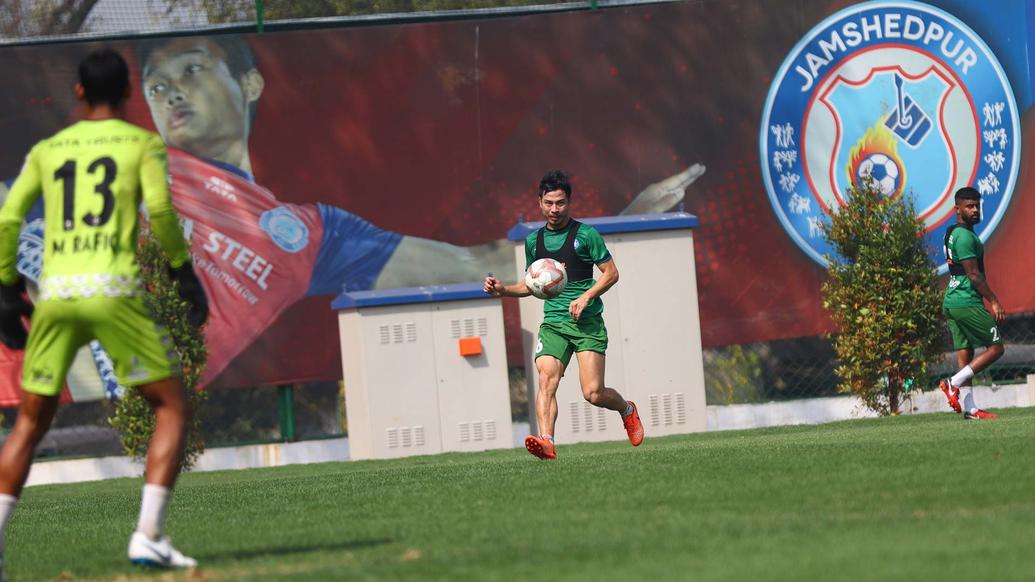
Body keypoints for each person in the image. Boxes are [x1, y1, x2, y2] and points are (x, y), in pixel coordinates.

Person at [0, 49, 208, 572]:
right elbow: (159, 211)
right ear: (128, 93)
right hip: (112, 291)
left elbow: (7, 219)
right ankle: (148, 535)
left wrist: (5, 290)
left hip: (57, 294)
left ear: (78, 91)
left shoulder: (49, 149)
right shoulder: (140, 143)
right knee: (172, 405)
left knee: (29, 423)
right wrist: (183, 271)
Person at [483, 170, 643, 459]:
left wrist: (586, 296)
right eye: (549, 203)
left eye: (560, 203)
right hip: (554, 323)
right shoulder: (534, 242)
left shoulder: (586, 235)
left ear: (569, 202)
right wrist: (503, 289)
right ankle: (547, 441)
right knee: (546, 379)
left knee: (593, 393)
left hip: (587, 323)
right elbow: (533, 285)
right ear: (539, 203)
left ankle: (626, 409)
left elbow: (611, 274)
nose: (554, 209)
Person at [938, 186, 1003, 420]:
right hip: (966, 299)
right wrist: (994, 301)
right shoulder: (965, 236)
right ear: (957, 209)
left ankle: (970, 409)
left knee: (965, 352)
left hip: (953, 299)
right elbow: (974, 275)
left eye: (977, 205)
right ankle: (952, 383)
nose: (975, 210)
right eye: (969, 206)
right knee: (996, 347)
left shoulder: (952, 231)